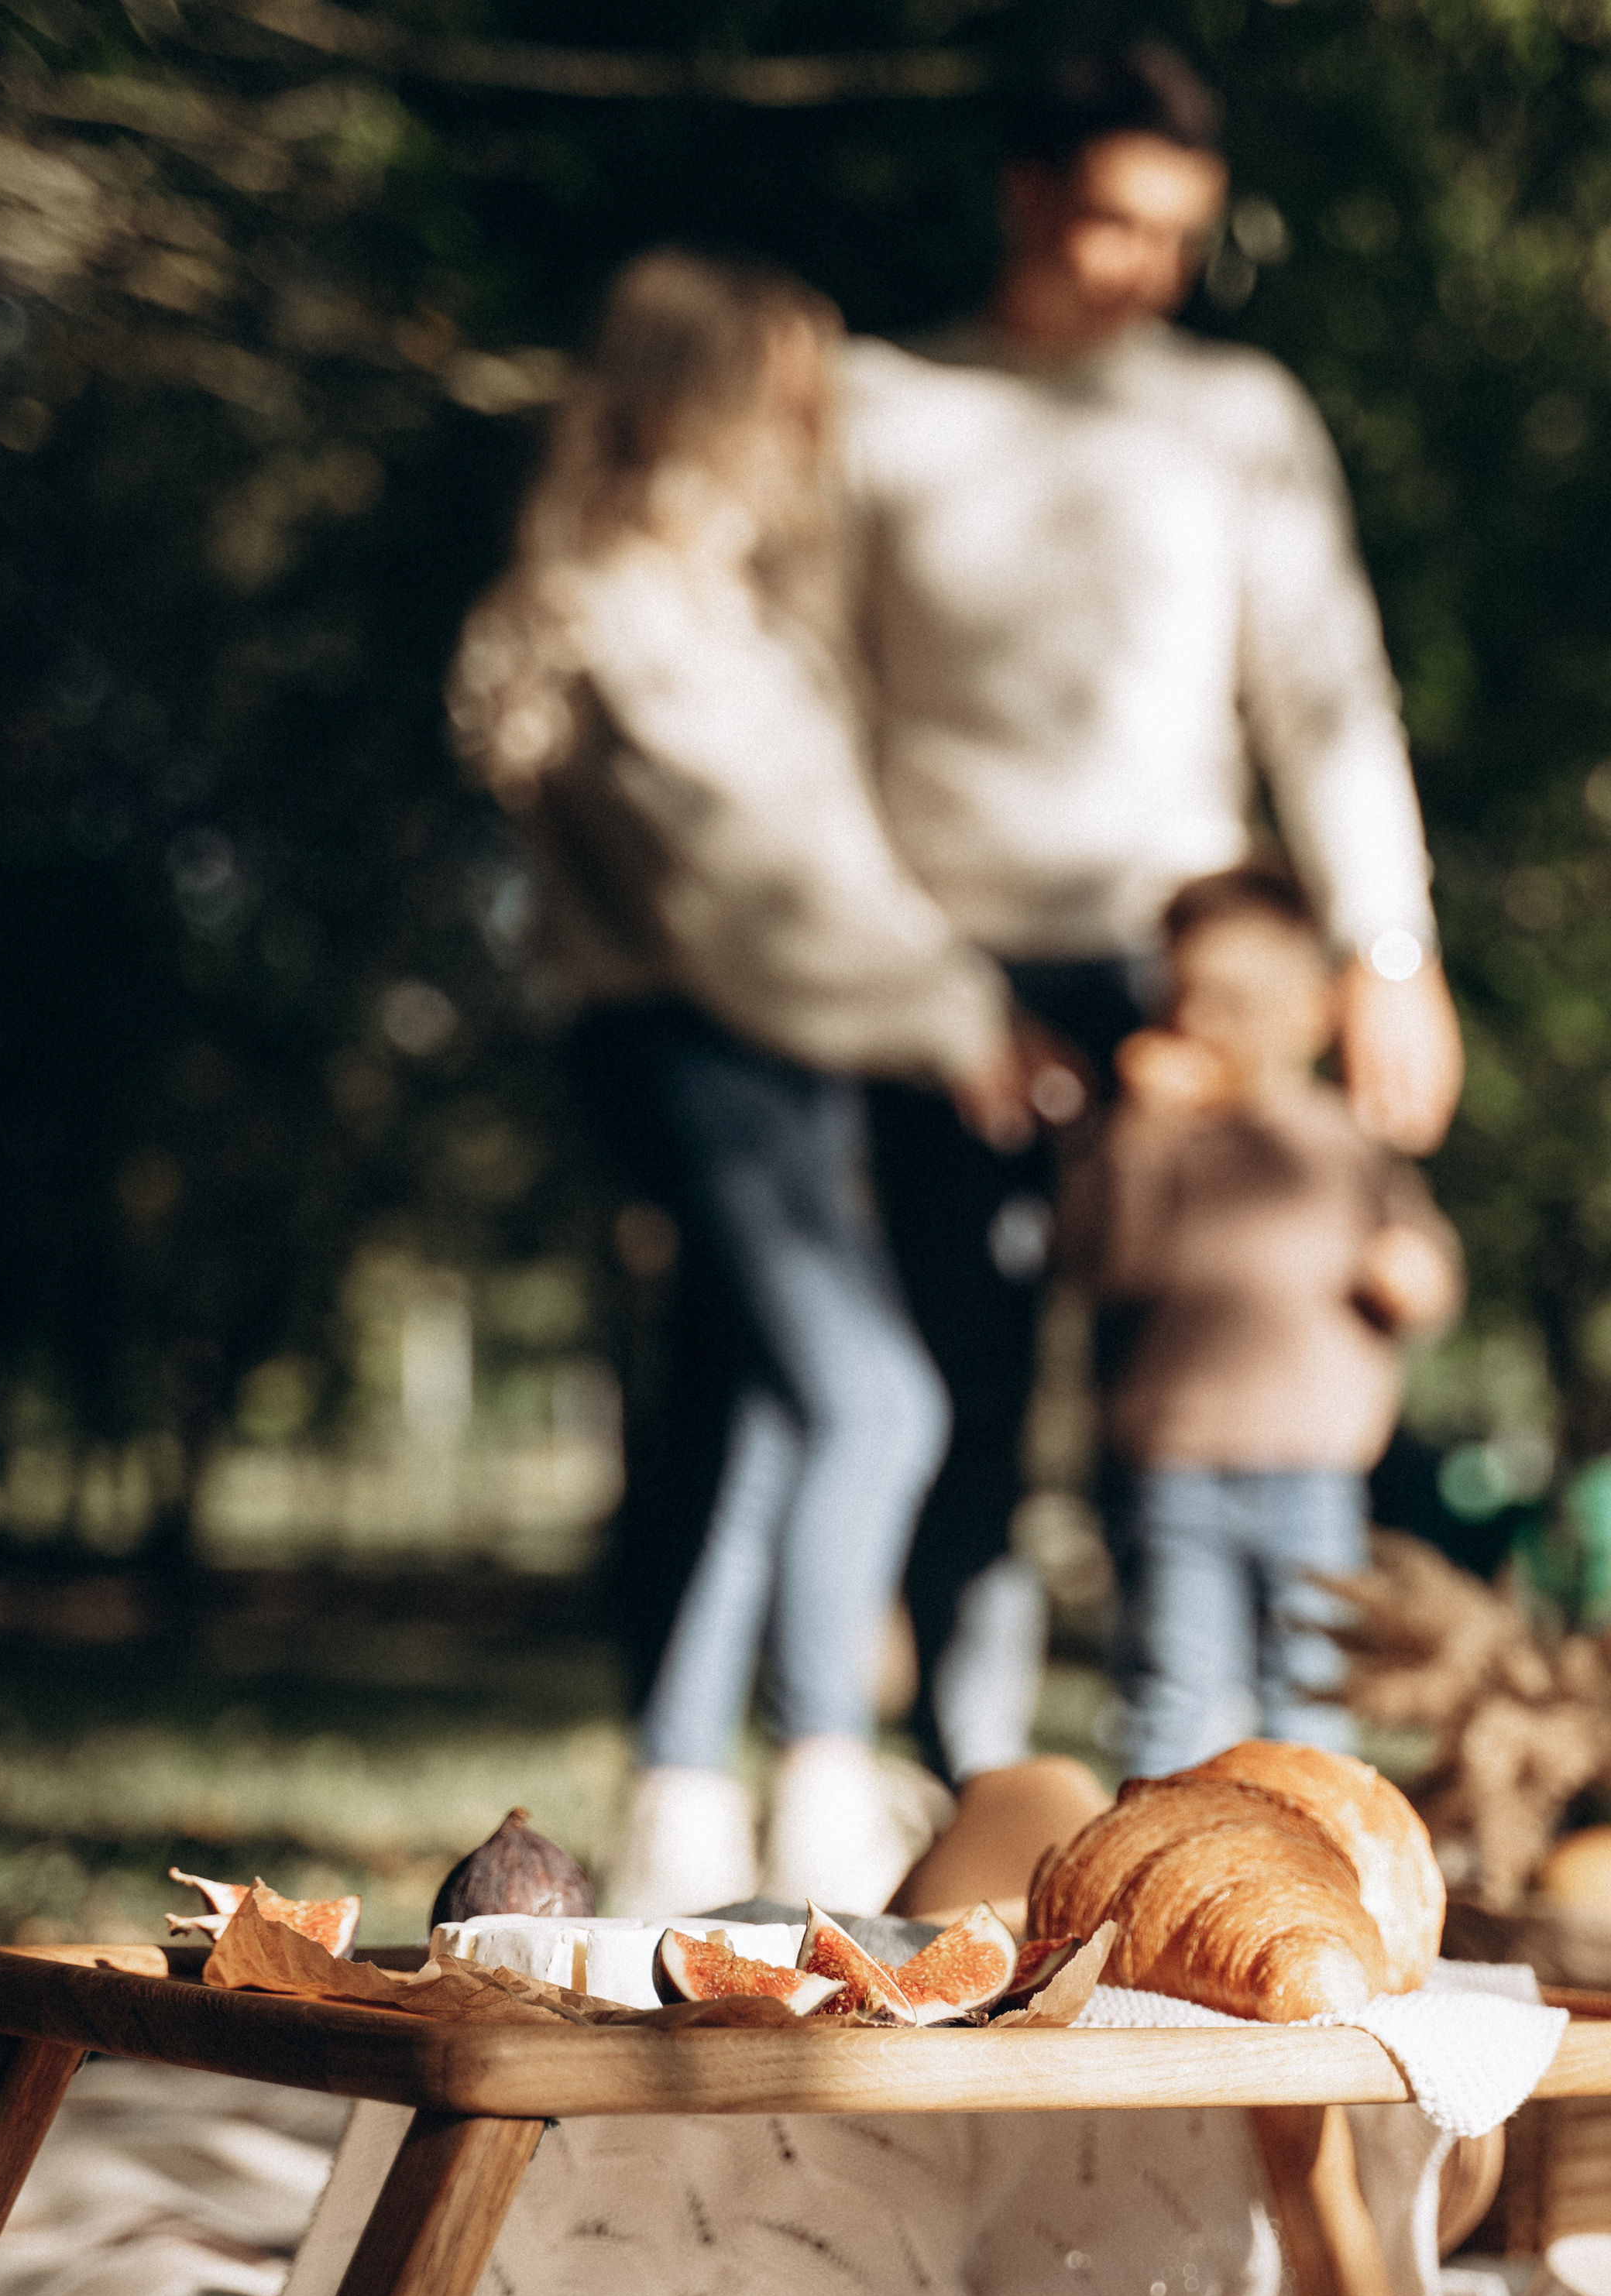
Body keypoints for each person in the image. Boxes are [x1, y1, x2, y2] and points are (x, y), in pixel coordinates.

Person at [843, 43, 1464, 1781]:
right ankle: (957, 1779)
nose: (1147, 270)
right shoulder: (882, 405)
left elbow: (1324, 694)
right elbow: (818, 722)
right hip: (941, 989)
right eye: (1115, 222)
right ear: (1024, 194)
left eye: (1180, 236)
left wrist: (1385, 946)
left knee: (1206, 1388)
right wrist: (897, 977)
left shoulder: (1234, 418)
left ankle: (1221, 1785)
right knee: (945, 1396)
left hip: (1171, 969)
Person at [449, 252, 1031, 1914]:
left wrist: (944, 993)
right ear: (702, 405)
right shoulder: (618, 611)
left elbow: (827, 849)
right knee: (878, 1399)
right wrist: (952, 1016)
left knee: (766, 1421)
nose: (810, 438)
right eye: (783, 403)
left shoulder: (716, 601)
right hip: (708, 1047)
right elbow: (746, 889)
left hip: (766, 1053)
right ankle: (823, 1783)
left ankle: (683, 1798)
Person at [1057, 863, 1463, 1778]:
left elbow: (1422, 1259)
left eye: (1234, 1002)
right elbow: (1105, 1264)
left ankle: (1316, 1874)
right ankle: (1146, 1876)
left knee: (1311, 1692)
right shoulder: (1156, 1142)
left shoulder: (1344, 1142)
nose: (1203, 1024)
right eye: (1184, 1000)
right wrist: (1134, 1138)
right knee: (1172, 1683)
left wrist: (1418, 1277)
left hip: (1315, 1476)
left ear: (1311, 1012)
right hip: (1179, 1472)